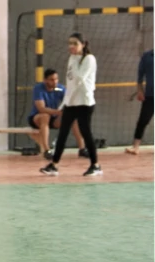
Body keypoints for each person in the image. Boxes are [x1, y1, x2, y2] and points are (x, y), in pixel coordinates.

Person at [41, 33, 101, 176]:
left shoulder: (89, 59)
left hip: (85, 103)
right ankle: (53, 165)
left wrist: (68, 100)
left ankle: (96, 165)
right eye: (69, 43)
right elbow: (70, 82)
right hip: (71, 103)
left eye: (75, 43)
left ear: (83, 44)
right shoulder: (71, 58)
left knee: (86, 133)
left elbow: (80, 79)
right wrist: (65, 103)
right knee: (63, 134)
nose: (71, 46)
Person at [27, 69, 88, 160]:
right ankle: (47, 150)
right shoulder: (38, 89)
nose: (55, 82)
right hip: (37, 118)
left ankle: (82, 149)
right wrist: (58, 112)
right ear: (45, 80)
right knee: (45, 116)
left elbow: (68, 100)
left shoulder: (59, 88)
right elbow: (41, 108)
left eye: (56, 79)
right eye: (51, 79)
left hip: (54, 118)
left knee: (73, 118)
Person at [126, 49, 154, 155]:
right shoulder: (147, 56)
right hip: (150, 95)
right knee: (143, 120)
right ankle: (135, 146)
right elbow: (140, 75)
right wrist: (140, 90)